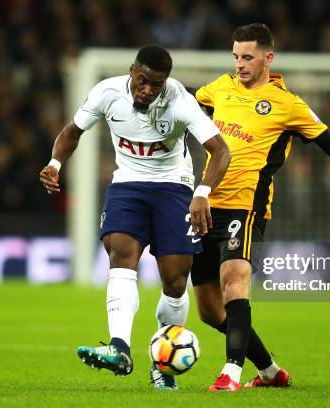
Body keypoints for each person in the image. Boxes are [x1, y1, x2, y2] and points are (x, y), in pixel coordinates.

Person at [191, 23, 330, 392]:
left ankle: (230, 374)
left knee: (234, 280)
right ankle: (271, 372)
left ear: (268, 58)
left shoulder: (288, 104)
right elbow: (185, 110)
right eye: (236, 56)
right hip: (205, 203)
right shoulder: (219, 88)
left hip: (247, 206)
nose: (240, 64)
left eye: (248, 57)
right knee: (210, 311)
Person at [39, 46, 230, 390]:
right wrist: (54, 164)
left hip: (174, 187)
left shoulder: (180, 101)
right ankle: (120, 348)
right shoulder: (106, 92)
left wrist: (202, 193)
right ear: (132, 71)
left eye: (157, 84)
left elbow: (220, 149)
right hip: (127, 184)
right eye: (143, 81)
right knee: (121, 254)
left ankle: (163, 367)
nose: (148, 90)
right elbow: (72, 132)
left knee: (174, 280)